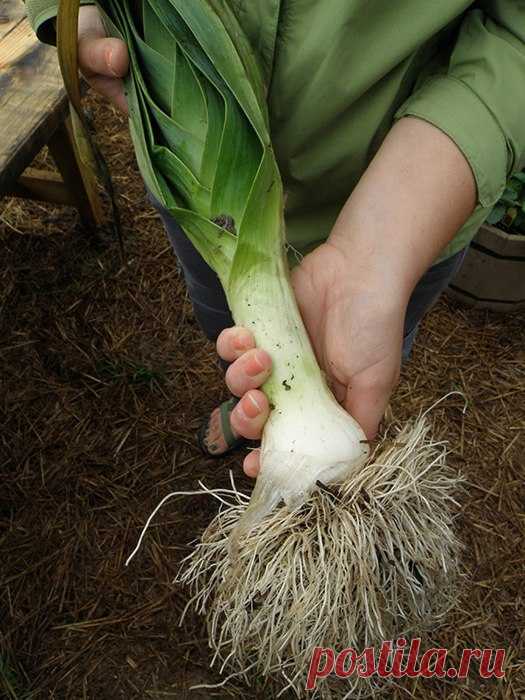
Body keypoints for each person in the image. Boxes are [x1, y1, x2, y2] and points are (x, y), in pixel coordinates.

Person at [26, 1, 525, 478]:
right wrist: (77, 10)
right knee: (227, 330)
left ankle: (296, 408)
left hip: (414, 210)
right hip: (197, 193)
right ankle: (254, 403)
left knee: (373, 338)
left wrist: (381, 248)